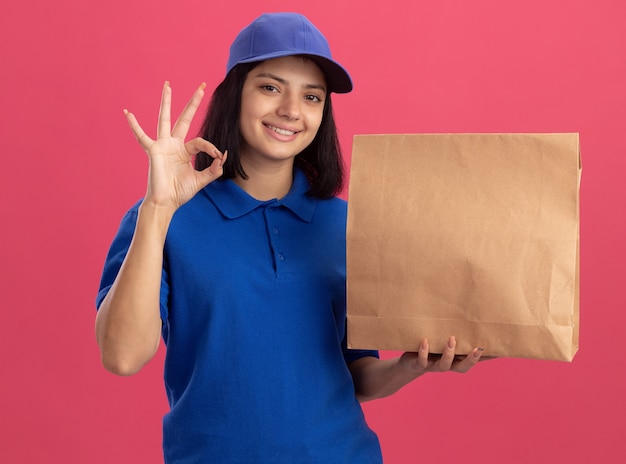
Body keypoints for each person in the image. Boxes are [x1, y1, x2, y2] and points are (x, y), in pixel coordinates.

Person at [95, 12, 484, 463]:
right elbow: (122, 357)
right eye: (270, 87)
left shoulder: (346, 224)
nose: (291, 111)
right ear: (234, 94)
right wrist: (158, 210)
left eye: (312, 96)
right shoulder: (164, 220)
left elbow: (357, 374)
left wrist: (409, 367)